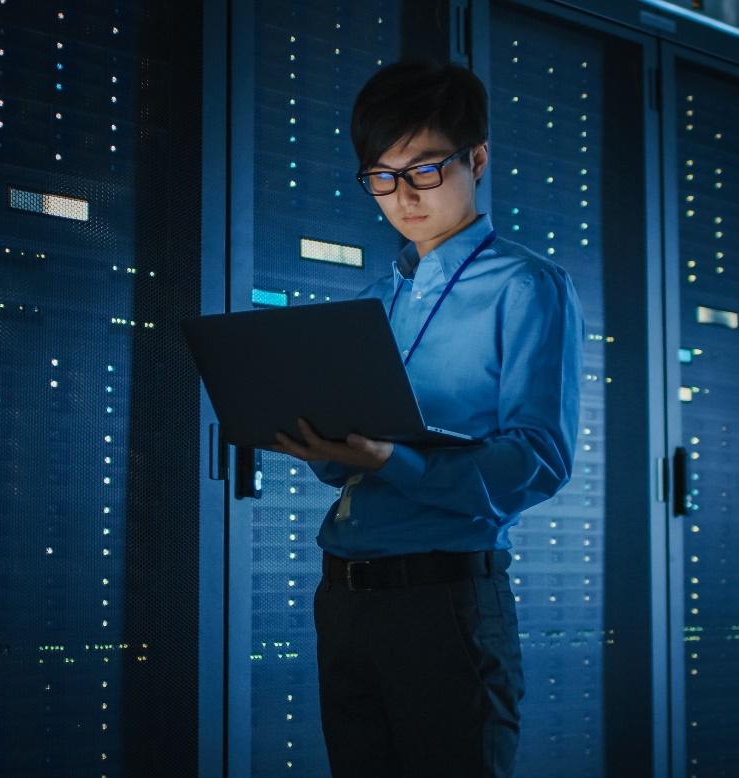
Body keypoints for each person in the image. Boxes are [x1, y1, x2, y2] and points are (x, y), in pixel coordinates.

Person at [271, 59, 584, 777]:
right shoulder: (376, 297)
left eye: (424, 170)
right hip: (344, 600)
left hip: (445, 605)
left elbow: (537, 459)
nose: (402, 197)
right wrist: (319, 444)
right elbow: (347, 460)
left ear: (477, 158)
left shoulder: (527, 286)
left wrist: (393, 461)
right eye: (380, 176)